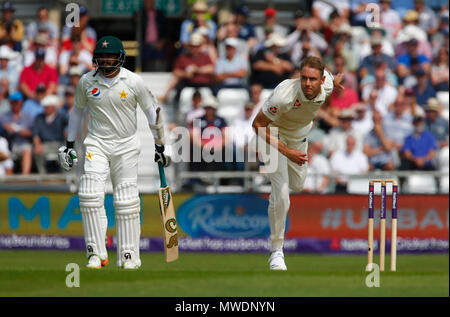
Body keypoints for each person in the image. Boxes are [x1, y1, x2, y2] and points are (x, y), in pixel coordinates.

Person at [57, 36, 169, 270]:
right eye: (102, 56)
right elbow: (77, 113)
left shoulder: (134, 81)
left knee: (126, 200)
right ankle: (95, 254)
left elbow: (152, 114)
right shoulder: (86, 81)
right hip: (96, 143)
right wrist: (69, 144)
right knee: (89, 195)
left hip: (126, 145)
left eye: (110, 56)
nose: (106, 60)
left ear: (120, 58)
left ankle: (129, 256)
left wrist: (160, 145)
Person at [252, 56, 343, 270]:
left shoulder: (327, 84)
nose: (307, 84)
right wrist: (285, 151)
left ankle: (278, 194)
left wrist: (336, 81)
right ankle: (276, 251)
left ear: (321, 80)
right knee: (282, 193)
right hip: (272, 136)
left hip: (299, 139)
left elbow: (330, 77)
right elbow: (258, 125)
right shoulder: (284, 97)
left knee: (298, 185)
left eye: (313, 79)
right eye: (304, 78)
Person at [0, 91, 33, 174]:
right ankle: (7, 180)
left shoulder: (28, 116)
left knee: (26, 150)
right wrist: (6, 128)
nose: (14, 104)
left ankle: (25, 178)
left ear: (21, 102)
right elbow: (3, 128)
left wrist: (21, 132)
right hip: (9, 145)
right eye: (12, 102)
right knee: (3, 151)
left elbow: (33, 133)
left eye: (16, 102)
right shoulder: (4, 116)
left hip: (22, 144)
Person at [33, 95, 67, 174]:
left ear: (53, 107)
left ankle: (66, 175)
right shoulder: (39, 118)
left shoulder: (61, 116)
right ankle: (43, 175)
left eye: (47, 107)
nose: (45, 108)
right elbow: (36, 134)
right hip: (45, 144)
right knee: (37, 152)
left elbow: (70, 125)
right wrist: (37, 145)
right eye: (44, 107)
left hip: (60, 144)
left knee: (68, 152)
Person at [134, 0, 168, 72]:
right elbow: (135, 30)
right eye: (146, 1)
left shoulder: (160, 14)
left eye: (150, 1)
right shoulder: (140, 14)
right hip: (145, 45)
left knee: (160, 65)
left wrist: (163, 41)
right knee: (146, 66)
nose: (148, 2)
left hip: (159, 44)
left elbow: (166, 30)